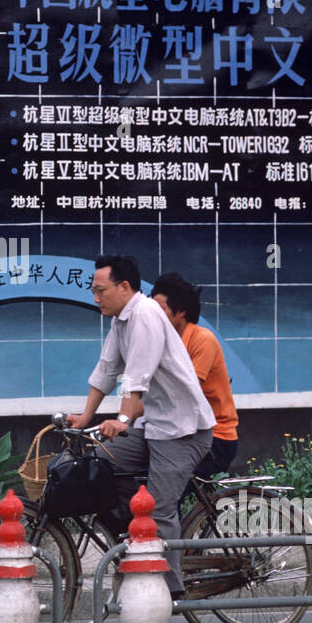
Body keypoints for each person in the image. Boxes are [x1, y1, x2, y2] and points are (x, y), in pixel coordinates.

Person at [66, 254, 215, 596]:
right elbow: (106, 369)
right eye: (93, 290)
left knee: (160, 508)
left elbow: (137, 378)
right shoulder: (120, 320)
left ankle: (168, 591)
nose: (95, 297)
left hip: (183, 431)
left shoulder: (145, 315)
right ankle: (134, 537)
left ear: (125, 287)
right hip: (152, 427)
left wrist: (121, 420)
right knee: (98, 464)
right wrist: (86, 417)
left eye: (100, 290)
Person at [150, 273, 239, 480]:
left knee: (165, 492)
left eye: (160, 310)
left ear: (181, 311)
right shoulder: (162, 340)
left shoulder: (202, 340)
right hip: (175, 431)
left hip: (214, 438)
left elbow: (183, 392)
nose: (153, 316)